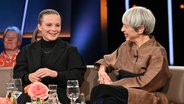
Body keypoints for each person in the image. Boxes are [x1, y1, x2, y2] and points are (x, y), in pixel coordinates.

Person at [90, 6, 172, 104]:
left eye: (126, 26)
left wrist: (113, 85)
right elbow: (106, 60)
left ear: (140, 29)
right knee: (108, 99)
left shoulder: (158, 52)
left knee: (101, 90)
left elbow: (147, 83)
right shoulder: (125, 46)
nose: (122, 29)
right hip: (119, 93)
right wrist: (102, 70)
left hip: (145, 95)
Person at [13, 9, 86, 104]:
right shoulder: (27, 50)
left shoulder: (70, 50)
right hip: (31, 95)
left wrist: (55, 74)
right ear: (39, 26)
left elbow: (77, 78)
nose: (54, 29)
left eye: (57, 25)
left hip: (60, 95)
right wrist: (29, 77)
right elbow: (17, 75)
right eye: (49, 25)